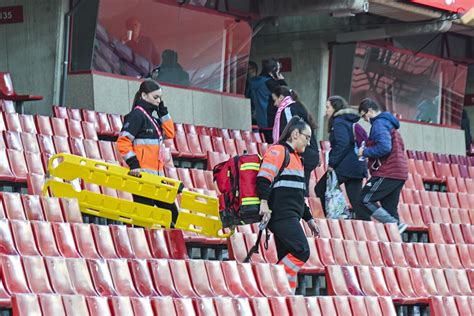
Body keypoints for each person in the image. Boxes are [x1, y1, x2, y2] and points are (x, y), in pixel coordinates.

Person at [256, 116, 319, 293]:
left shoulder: (297, 159)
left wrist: (309, 219)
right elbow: (263, 179)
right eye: (307, 138)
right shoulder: (278, 151)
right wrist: (264, 203)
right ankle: (270, 284)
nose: (308, 143)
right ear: (295, 134)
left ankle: (284, 299)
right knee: (301, 251)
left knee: (286, 257)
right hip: (281, 215)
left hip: (291, 215)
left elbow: (298, 195)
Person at [117, 79, 178, 226]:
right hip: (141, 177)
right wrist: (134, 165)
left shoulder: (153, 119)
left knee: (172, 215)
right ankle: (143, 246)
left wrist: (164, 113)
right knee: (145, 218)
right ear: (144, 96)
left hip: (155, 178)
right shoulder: (137, 115)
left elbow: (170, 133)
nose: (158, 101)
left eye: (160, 98)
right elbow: (123, 141)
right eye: (155, 97)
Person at [357, 98, 408, 233]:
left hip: (388, 171)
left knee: (364, 199)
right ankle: (398, 245)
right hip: (399, 172)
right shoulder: (389, 124)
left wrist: (365, 151)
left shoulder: (379, 124)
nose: (365, 119)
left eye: (364, 115)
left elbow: (385, 147)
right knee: (389, 210)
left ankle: (395, 225)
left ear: (370, 111)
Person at [314, 96, 368, 219]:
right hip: (357, 165)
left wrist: (332, 163)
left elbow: (342, 143)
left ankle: (328, 221)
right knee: (356, 201)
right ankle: (368, 227)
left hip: (345, 166)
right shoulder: (348, 121)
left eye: (328, 107)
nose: (326, 111)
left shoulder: (338, 122)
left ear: (335, 108)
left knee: (320, 188)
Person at [271, 86, 320, 193]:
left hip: (303, 154)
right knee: (302, 187)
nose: (275, 104)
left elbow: (292, 132)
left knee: (299, 190)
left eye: (275, 100)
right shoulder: (299, 106)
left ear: (281, 97)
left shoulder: (288, 109)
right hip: (311, 152)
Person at [247, 58, 287, 143]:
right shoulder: (271, 83)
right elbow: (286, 97)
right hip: (270, 122)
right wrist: (282, 82)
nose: (279, 73)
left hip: (257, 121)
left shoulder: (254, 82)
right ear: (271, 71)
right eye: (278, 70)